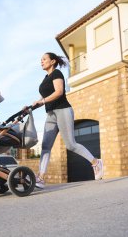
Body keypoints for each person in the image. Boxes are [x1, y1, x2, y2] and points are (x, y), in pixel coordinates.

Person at [31, 52, 103, 189]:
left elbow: (58, 92)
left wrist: (43, 101)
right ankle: (40, 177)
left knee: (70, 144)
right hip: (51, 114)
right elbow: (43, 99)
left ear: (52, 62)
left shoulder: (57, 73)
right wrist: (32, 105)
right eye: (41, 60)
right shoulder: (45, 79)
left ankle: (95, 162)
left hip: (63, 110)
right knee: (46, 146)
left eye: (44, 59)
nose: (41, 61)